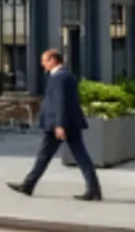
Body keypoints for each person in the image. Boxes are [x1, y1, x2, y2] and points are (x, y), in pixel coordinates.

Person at [8, 49, 102, 202]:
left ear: (53, 60)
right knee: (77, 155)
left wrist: (59, 124)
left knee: (45, 155)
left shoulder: (59, 78)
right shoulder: (67, 76)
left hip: (59, 124)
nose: (42, 64)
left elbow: (60, 102)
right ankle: (93, 189)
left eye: (44, 60)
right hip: (69, 122)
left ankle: (28, 185)